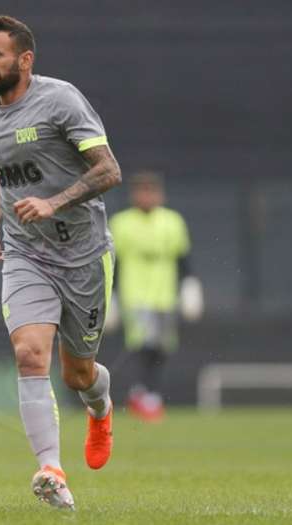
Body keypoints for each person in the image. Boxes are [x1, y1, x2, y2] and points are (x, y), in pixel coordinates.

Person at [0, 15, 121, 511]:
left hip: (83, 254)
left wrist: (54, 203)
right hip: (25, 253)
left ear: (25, 60)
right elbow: (0, 160)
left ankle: (100, 407)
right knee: (30, 355)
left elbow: (108, 170)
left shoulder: (61, 100)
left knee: (77, 374)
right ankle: (52, 470)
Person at [108, 171, 203, 422]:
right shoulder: (121, 223)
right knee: (144, 344)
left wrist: (190, 285)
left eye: (151, 191)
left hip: (165, 296)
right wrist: (111, 297)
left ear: (160, 194)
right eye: (142, 191)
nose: (147, 196)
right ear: (133, 195)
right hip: (135, 296)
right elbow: (113, 264)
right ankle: (145, 394)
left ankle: (146, 393)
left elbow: (182, 257)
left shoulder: (172, 222)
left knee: (163, 347)